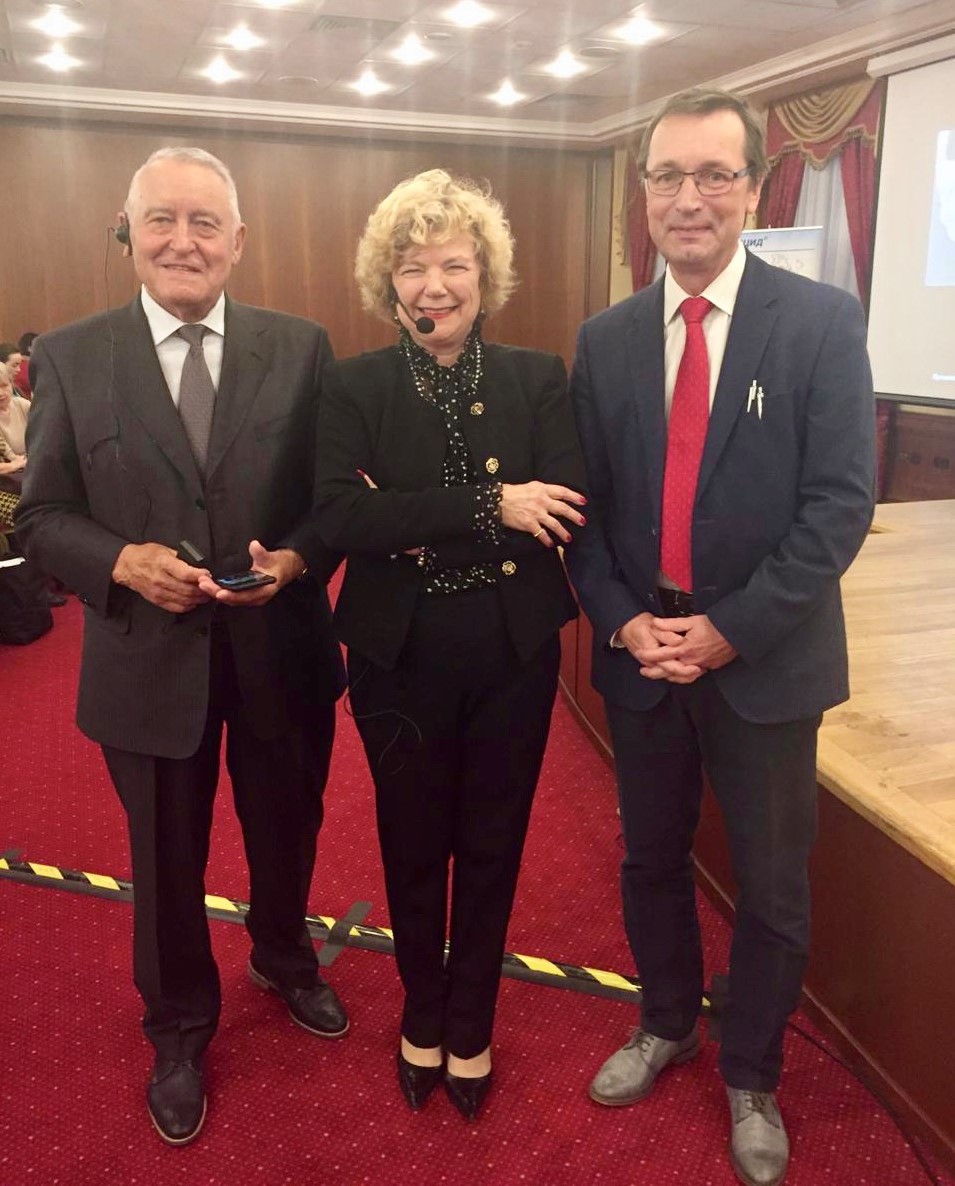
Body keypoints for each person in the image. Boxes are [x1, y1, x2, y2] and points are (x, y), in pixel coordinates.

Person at [565, 89, 875, 1186]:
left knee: (772, 885)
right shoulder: (603, 339)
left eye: (712, 174)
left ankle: (750, 1071)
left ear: (750, 188)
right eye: (667, 176)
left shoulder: (820, 323)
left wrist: (728, 631)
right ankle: (666, 1022)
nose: (687, 197)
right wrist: (623, 621)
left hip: (765, 660)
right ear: (642, 194)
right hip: (644, 658)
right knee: (649, 858)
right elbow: (586, 515)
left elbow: (838, 506)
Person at [16, 146, 348, 1148]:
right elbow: (41, 517)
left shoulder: (302, 348)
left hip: (279, 649)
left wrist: (296, 559)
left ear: (237, 242)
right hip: (146, 664)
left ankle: (284, 956)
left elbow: (332, 501)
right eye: (161, 219)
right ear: (129, 234)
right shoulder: (73, 355)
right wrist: (121, 562)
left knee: (287, 825)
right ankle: (178, 1025)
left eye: (205, 222)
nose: (183, 240)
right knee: (165, 859)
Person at [313, 168, 587, 1121]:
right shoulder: (352, 384)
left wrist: (410, 519)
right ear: (386, 282)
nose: (434, 285)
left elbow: (563, 507)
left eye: (454, 265)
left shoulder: (536, 377)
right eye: (412, 267)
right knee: (412, 839)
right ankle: (420, 1013)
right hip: (398, 657)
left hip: (513, 652)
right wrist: (489, 506)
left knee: (494, 842)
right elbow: (341, 516)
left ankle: (471, 1022)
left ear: (485, 274)